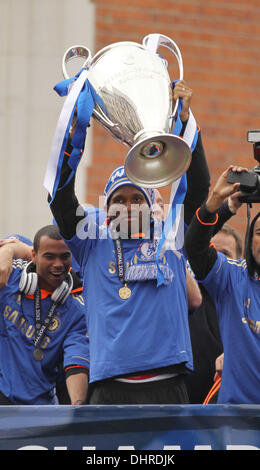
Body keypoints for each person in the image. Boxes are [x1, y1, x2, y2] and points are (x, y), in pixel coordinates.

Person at [47, 81, 213, 405]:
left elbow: (198, 188)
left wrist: (185, 123)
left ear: (150, 204)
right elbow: (61, 200)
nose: (127, 206)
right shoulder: (91, 241)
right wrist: (72, 138)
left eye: (136, 197)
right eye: (118, 200)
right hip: (109, 387)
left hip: (168, 384)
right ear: (107, 209)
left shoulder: (172, 235)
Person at [185, 165, 260, 404]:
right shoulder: (233, 278)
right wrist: (218, 201)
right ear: (249, 240)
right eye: (259, 232)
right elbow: (195, 246)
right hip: (235, 421)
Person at [0, 225, 89, 405]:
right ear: (33, 255)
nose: (58, 264)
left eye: (64, 257)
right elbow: (11, 246)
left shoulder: (77, 312)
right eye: (49, 256)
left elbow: (76, 365)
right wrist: (8, 250)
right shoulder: (10, 277)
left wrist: (78, 405)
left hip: (40, 411)